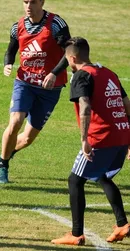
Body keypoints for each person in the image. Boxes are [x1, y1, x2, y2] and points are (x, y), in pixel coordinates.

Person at [51, 37, 130, 245]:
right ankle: (122, 223)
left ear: (73, 57)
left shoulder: (81, 76)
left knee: (75, 180)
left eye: (67, 59)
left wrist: (84, 139)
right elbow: (127, 106)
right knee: (103, 176)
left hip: (100, 138)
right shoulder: (108, 73)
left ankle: (76, 234)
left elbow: (85, 107)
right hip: (122, 136)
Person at [0, 0, 71, 183]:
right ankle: (4, 164)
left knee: (27, 139)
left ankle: (5, 154)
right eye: (25, 2)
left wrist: (54, 73)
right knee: (15, 121)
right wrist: (7, 64)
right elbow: (11, 49)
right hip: (25, 83)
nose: (28, 6)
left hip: (50, 88)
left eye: (33, 2)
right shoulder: (17, 26)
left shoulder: (56, 24)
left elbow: (69, 53)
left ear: (42, 2)